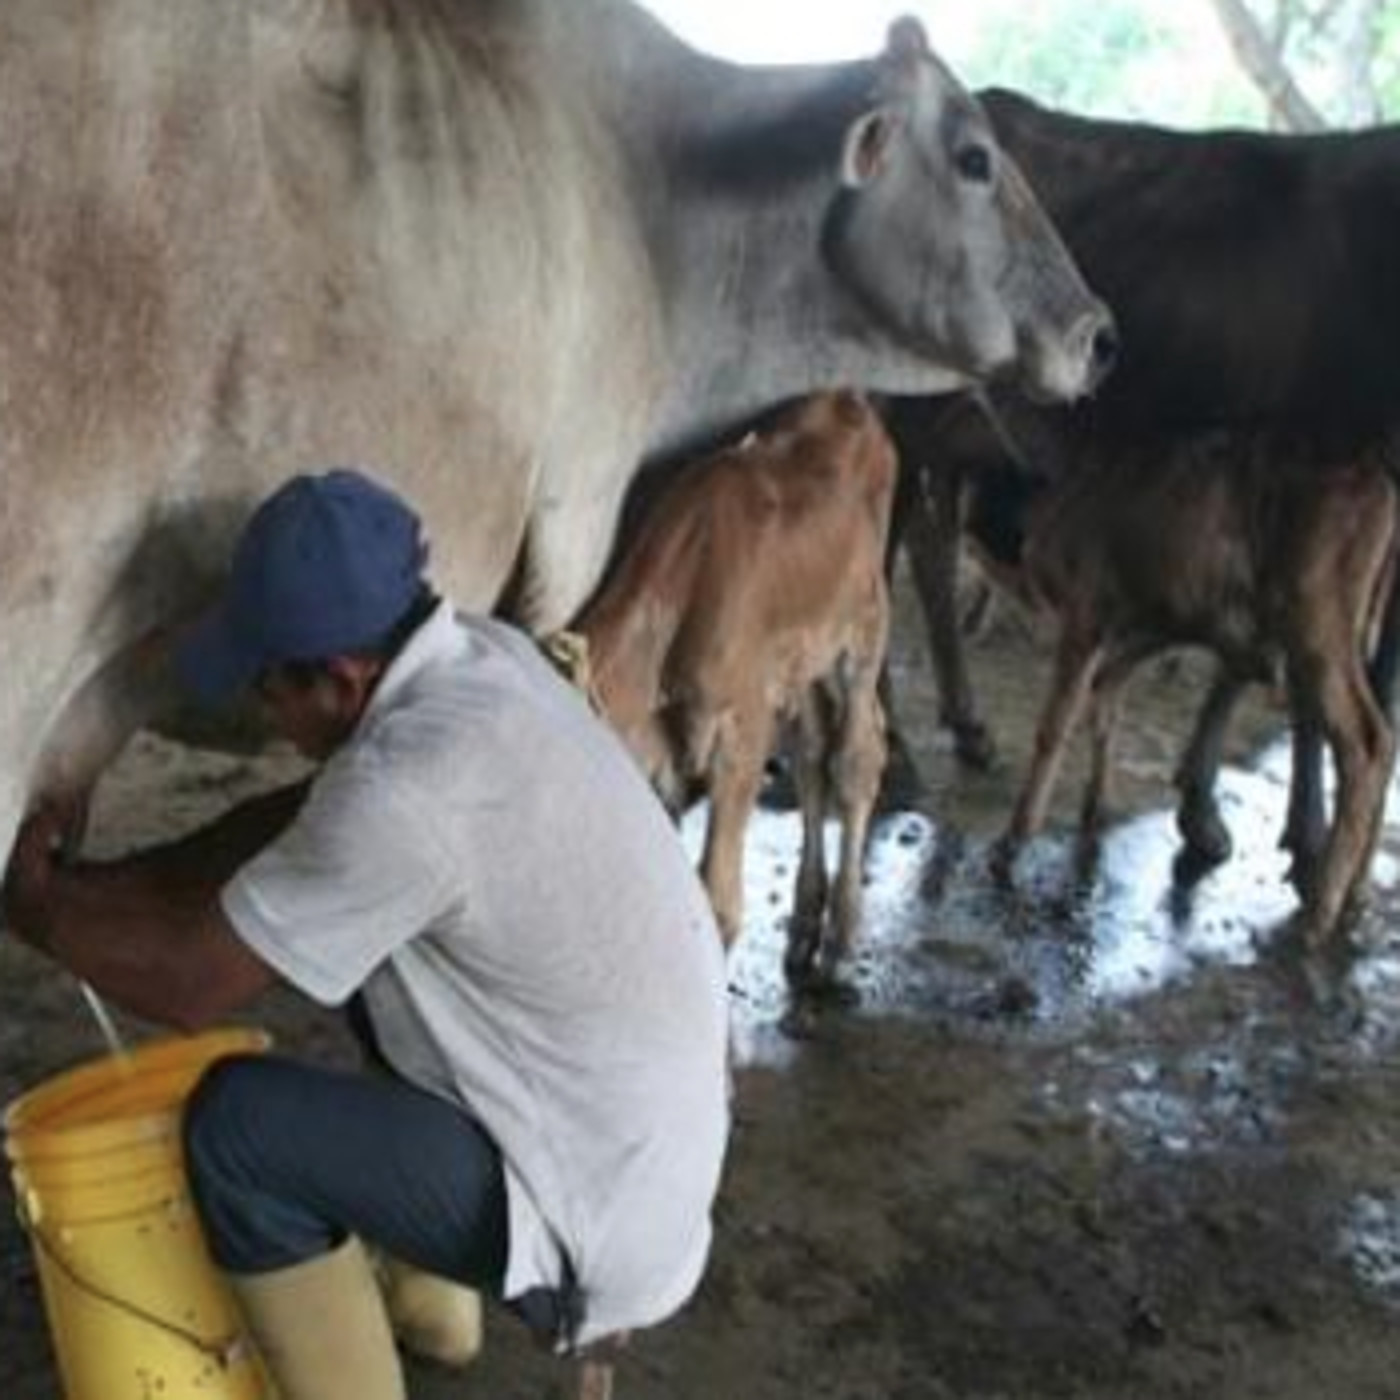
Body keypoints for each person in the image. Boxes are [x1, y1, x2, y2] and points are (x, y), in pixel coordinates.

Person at [2, 468, 732, 1400]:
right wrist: (91, 888)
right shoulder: (482, 661)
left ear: (342, 680)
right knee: (368, 962)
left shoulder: (408, 794)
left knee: (238, 1131)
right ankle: (436, 1309)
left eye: (269, 688)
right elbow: (285, 832)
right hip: (638, 1147)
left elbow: (191, 984)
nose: (262, 712)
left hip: (593, 1216)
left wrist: (30, 911)